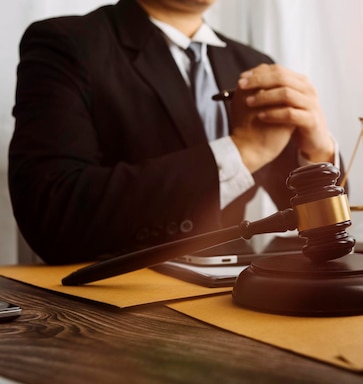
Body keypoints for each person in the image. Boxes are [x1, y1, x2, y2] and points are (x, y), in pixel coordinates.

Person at [9, 0, 340, 265]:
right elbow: (53, 217)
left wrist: (317, 154)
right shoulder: (66, 43)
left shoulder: (253, 63)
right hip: (119, 302)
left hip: (241, 292)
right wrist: (242, 152)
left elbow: (324, 231)